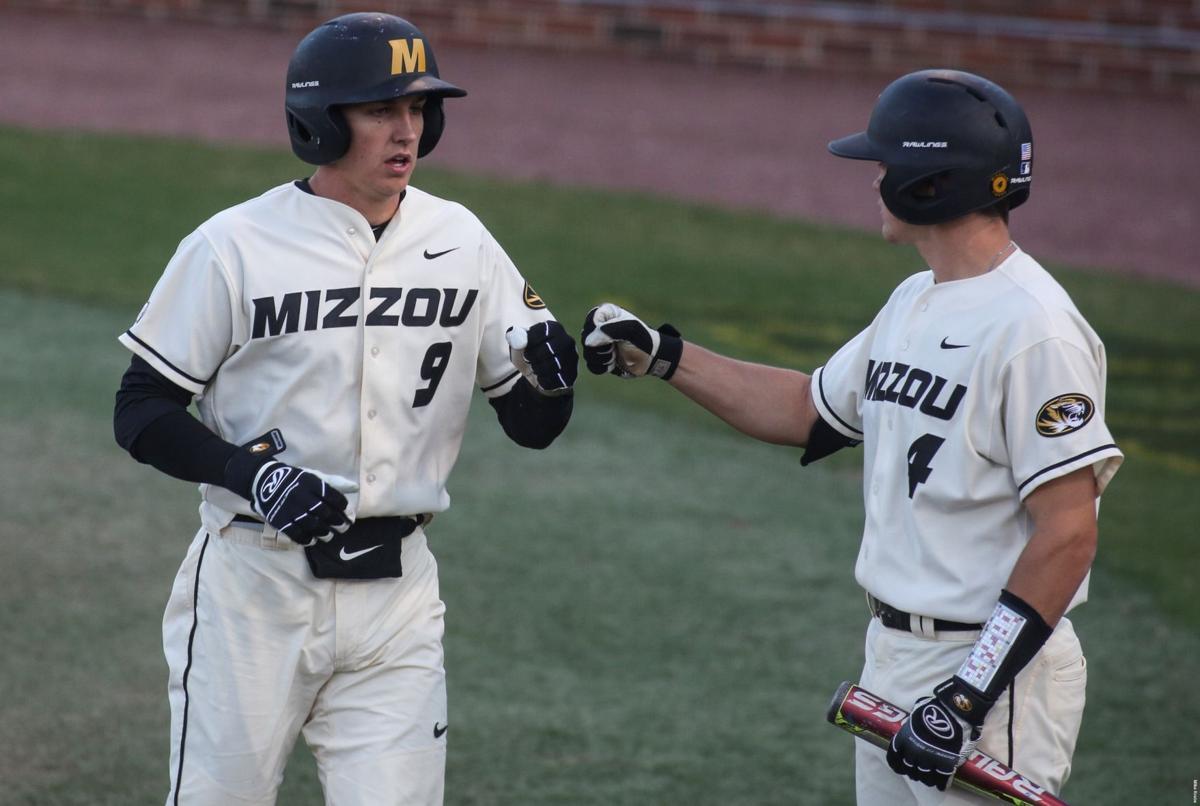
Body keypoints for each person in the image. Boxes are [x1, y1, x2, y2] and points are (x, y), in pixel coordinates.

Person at [580, 69, 1121, 804]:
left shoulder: (1035, 330)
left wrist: (967, 696)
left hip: (991, 675)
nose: (874, 180)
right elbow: (807, 406)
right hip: (896, 659)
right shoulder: (916, 300)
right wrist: (666, 356)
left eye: (886, 162)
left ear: (933, 179)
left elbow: (1068, 532)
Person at [112, 12, 577, 805]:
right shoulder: (233, 245)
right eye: (380, 110)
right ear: (321, 122)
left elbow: (533, 429)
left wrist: (554, 382)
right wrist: (249, 477)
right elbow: (141, 409)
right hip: (255, 593)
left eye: (418, 110)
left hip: (397, 601)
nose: (406, 130)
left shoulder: (461, 238)